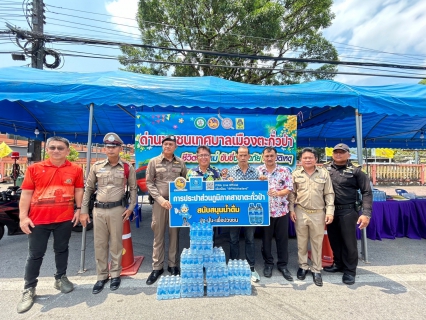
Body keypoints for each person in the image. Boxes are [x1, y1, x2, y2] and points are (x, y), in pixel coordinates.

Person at [17, 137, 84, 313]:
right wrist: (23, 217)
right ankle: (29, 288)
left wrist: (79, 209)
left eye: (60, 148)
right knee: (35, 255)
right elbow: (26, 194)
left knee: (62, 249)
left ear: (67, 151)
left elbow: (79, 190)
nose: (56, 151)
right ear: (47, 149)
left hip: (64, 218)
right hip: (38, 220)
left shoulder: (75, 169)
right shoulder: (34, 169)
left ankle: (61, 278)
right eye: (52, 147)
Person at [80, 132, 137, 294]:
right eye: (108, 146)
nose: (110, 149)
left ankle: (116, 274)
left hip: (117, 210)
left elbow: (133, 189)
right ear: (105, 148)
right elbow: (88, 189)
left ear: (120, 148)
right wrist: (84, 210)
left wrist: (131, 207)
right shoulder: (96, 166)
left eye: (114, 147)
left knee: (116, 244)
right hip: (98, 210)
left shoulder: (127, 167)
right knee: (100, 244)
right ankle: (101, 276)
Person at [323, 143, 372, 285]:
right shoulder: (325, 169)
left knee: (349, 242)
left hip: (348, 211)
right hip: (331, 211)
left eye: (342, 152)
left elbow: (367, 192)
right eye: (336, 152)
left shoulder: (356, 171)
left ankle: (350, 271)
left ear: (348, 155)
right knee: (334, 240)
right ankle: (338, 264)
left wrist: (366, 213)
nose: (338, 154)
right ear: (332, 154)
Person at [288, 148, 335, 287]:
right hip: (301, 211)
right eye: (305, 158)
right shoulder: (296, 174)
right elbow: (292, 194)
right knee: (301, 242)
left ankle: (316, 269)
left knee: (317, 242)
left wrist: (330, 211)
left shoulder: (324, 174)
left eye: (310, 157)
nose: (307, 160)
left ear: (316, 159)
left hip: (318, 213)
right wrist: (291, 209)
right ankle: (303, 266)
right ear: (300, 160)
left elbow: (329, 194)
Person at [146, 135, 187, 285]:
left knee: (174, 234)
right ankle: (157, 267)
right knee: (158, 235)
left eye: (170, 144)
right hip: (159, 203)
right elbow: (149, 183)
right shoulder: (154, 162)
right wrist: (161, 200)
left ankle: (173, 265)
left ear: (175, 147)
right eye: (165, 144)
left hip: (176, 204)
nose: (167, 146)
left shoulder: (181, 162)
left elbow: (185, 180)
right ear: (162, 146)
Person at [257, 147, 293, 281]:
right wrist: (258, 181)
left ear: (276, 156)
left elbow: (289, 188)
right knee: (266, 240)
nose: (269, 158)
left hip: (281, 210)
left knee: (282, 239)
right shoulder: (258, 171)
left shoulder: (284, 171)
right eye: (267, 156)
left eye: (272, 155)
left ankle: (283, 265)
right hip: (265, 212)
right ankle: (268, 264)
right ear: (263, 157)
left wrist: (278, 193)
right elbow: (251, 187)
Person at [227, 146, 260, 282]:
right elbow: (226, 192)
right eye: (240, 155)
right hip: (235, 211)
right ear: (236, 156)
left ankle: (251, 267)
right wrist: (227, 183)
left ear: (249, 156)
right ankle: (233, 266)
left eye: (245, 155)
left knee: (250, 239)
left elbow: (260, 191)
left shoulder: (256, 172)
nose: (242, 157)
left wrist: (262, 181)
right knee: (233, 239)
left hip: (250, 212)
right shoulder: (231, 172)